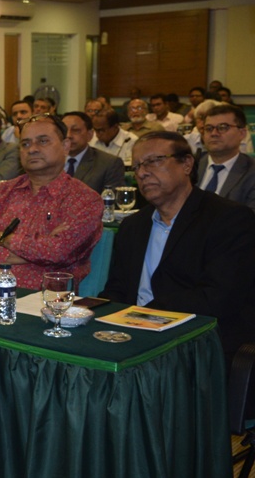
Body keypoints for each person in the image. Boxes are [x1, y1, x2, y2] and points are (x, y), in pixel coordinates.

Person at [100, 132, 255, 361]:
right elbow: (117, 289)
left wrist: (143, 315)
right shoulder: (133, 225)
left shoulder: (228, 218)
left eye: (154, 161)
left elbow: (218, 297)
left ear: (186, 164)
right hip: (131, 338)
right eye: (137, 166)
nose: (142, 173)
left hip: (197, 343)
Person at [0, 114, 103, 288]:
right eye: (25, 144)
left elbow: (58, 252)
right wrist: (30, 252)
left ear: (65, 146)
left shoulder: (84, 199)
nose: (32, 149)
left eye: (43, 141)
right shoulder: (0, 193)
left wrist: (3, 238)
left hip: (45, 299)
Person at [195, 104, 255, 211]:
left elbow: (250, 217)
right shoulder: (190, 166)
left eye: (222, 127)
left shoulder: (251, 172)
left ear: (242, 133)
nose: (214, 133)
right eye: (208, 128)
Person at [61, 112, 125, 193]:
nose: (68, 135)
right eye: (64, 131)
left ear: (90, 135)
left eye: (76, 130)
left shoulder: (109, 164)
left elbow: (111, 198)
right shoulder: (49, 160)